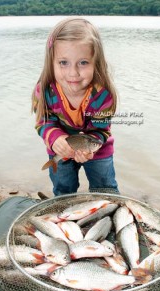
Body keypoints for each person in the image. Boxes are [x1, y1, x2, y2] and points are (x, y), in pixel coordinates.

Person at [32, 17, 119, 196]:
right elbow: (43, 122)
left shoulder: (103, 95)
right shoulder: (46, 90)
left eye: (83, 62)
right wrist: (56, 139)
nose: (73, 73)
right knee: (64, 190)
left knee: (106, 190)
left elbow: (101, 131)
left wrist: (89, 148)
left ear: (97, 62)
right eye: (63, 63)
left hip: (97, 149)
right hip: (59, 149)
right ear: (52, 62)